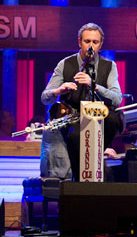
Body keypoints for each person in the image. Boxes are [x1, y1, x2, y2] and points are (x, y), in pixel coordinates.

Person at [40, 23, 123, 181]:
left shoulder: (109, 66)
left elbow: (117, 98)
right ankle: (80, 179)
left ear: (101, 44)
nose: (90, 46)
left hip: (99, 116)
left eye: (95, 42)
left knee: (114, 119)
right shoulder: (65, 64)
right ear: (79, 42)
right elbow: (45, 97)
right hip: (73, 118)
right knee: (76, 135)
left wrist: (94, 85)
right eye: (87, 41)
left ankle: (95, 160)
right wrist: (58, 91)